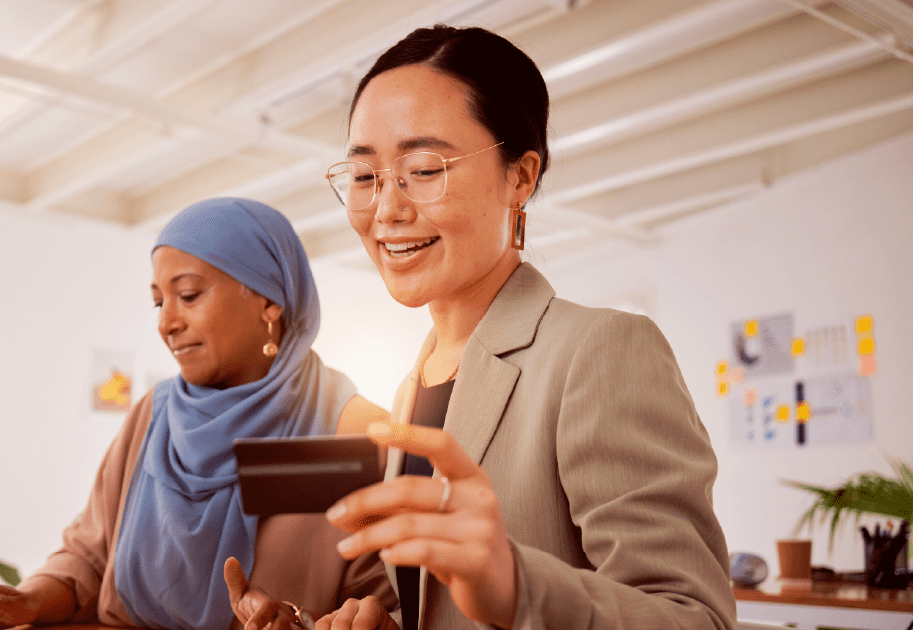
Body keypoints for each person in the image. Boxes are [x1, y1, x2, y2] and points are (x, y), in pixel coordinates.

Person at [314, 25, 737, 630]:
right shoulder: (412, 389)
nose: (386, 208)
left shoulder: (599, 352)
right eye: (364, 177)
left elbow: (695, 619)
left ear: (521, 176)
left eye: (425, 168)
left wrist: (517, 586)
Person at [0, 197, 397, 630]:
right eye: (160, 302)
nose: (166, 323)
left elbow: (392, 603)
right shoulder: (153, 416)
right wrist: (27, 601)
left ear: (270, 300)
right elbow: (88, 557)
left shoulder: (356, 432)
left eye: (189, 295)